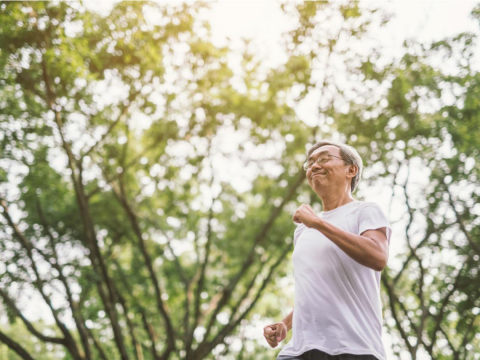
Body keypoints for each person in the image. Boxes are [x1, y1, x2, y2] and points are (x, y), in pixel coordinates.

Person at [263, 140, 392, 360]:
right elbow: (318, 287)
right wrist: (285, 323)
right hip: (301, 349)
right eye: (310, 163)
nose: (313, 166)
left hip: (353, 347)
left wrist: (318, 223)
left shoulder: (364, 211)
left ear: (351, 170)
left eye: (324, 158)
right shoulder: (302, 231)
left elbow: (378, 256)